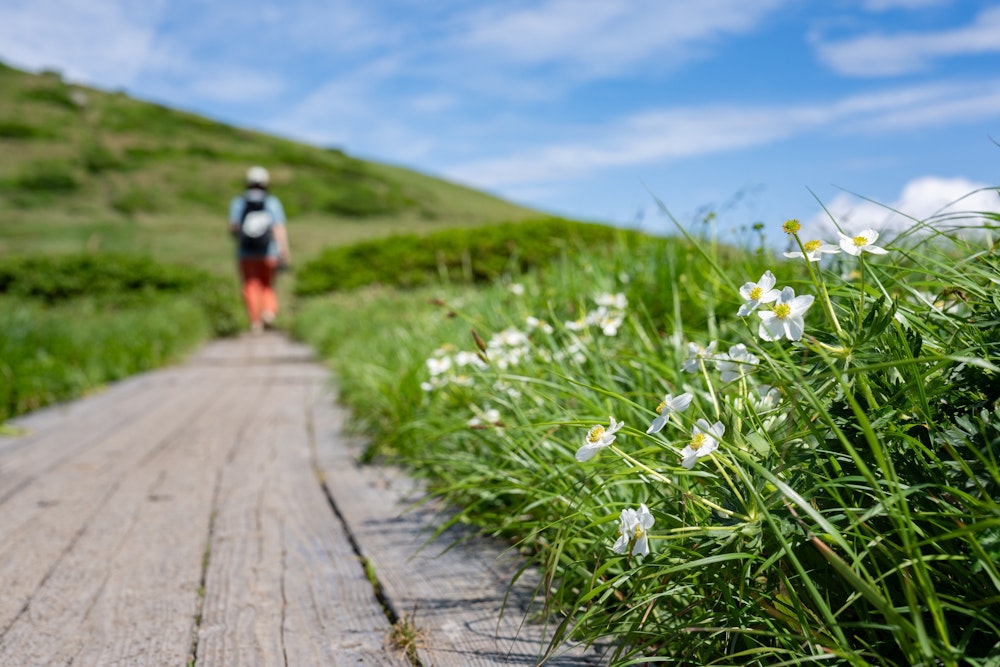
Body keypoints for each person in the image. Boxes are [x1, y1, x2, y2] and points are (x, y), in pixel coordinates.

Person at [228, 166, 291, 334]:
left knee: (251, 284)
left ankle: (255, 321)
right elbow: (278, 228)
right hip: (269, 252)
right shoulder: (272, 202)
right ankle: (268, 312)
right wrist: (284, 251)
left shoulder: (239, 202)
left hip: (246, 252)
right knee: (267, 284)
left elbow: (233, 227)